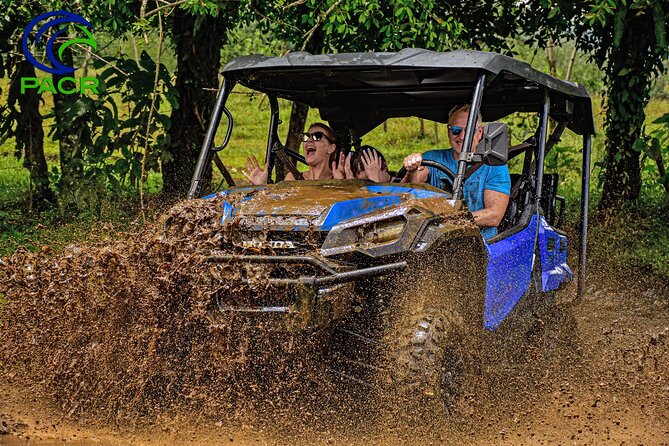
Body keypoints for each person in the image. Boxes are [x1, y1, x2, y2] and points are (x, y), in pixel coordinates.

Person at [402, 103, 510, 239]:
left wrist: (446, 221)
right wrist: (411, 169)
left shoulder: (493, 165)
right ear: (448, 131)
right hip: (435, 242)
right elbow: (406, 193)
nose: (462, 137)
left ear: (480, 132)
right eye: (456, 130)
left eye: (469, 131)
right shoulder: (432, 158)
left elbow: (494, 216)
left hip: (482, 243)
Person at [243, 122, 340, 185]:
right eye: (306, 136)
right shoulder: (292, 178)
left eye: (317, 136)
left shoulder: (338, 179)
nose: (309, 140)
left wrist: (340, 184)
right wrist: (262, 186)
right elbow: (279, 208)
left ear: (331, 148)